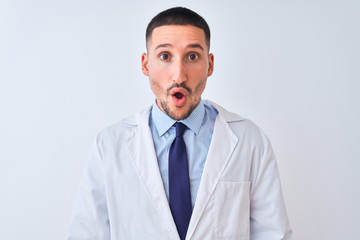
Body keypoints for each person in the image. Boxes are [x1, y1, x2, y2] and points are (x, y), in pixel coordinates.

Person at [68, 7, 292, 240]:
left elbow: (273, 234)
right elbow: (86, 234)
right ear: (146, 65)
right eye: (165, 56)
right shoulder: (109, 145)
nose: (179, 75)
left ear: (210, 64)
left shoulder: (250, 141)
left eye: (192, 56)